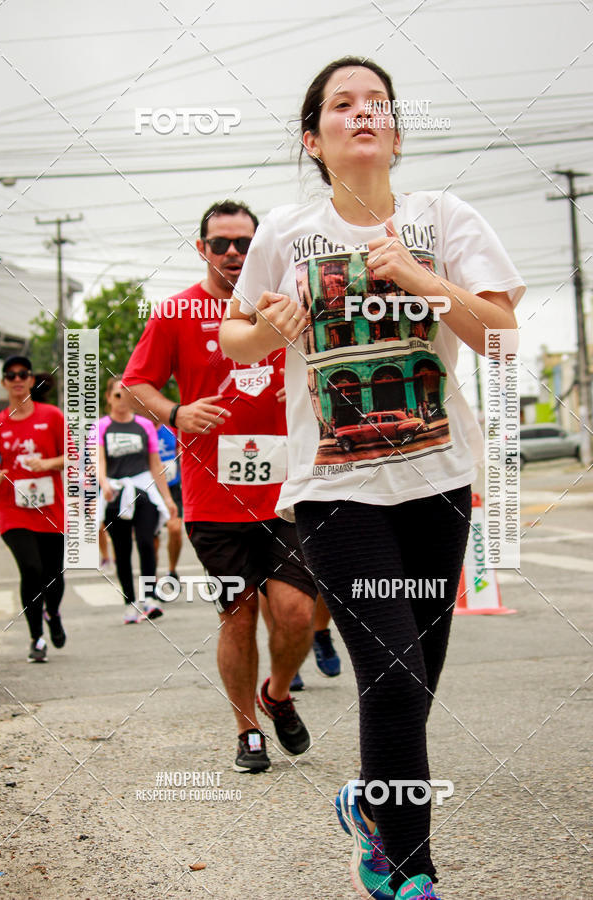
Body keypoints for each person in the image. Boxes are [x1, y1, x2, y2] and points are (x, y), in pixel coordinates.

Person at [219, 57, 524, 899]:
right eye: (341, 104)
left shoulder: (444, 217)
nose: (364, 113)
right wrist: (271, 326)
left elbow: (501, 337)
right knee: (391, 676)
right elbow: (234, 341)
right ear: (313, 138)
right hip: (333, 490)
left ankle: (371, 803)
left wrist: (425, 281)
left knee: (418, 678)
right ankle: (405, 870)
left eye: (377, 103)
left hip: (438, 480)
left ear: (395, 131)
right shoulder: (285, 231)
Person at [122, 199, 318, 774]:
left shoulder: (288, 305)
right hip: (214, 494)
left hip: (289, 489)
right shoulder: (177, 312)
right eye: (220, 244)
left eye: (244, 244)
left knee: (296, 612)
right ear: (201, 248)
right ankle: (247, 730)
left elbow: (337, 363)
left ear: (259, 248)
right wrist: (176, 412)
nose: (233, 253)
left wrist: (309, 380)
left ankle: (276, 694)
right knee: (237, 614)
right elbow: (137, 386)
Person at [0, 357, 66, 662]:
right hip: (12, 509)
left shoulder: (51, 416)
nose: (17, 379)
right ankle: (36, 638)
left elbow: (76, 455)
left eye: (23, 374)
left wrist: (48, 463)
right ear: (4, 383)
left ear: (30, 380)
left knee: (53, 576)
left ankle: (53, 612)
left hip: (50, 507)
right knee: (31, 569)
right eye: (11, 375)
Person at [97, 375, 177, 624]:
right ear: (109, 398)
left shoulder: (144, 425)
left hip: (143, 490)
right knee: (122, 550)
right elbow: (99, 462)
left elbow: (155, 464)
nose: (122, 400)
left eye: (126, 395)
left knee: (146, 541)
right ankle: (130, 602)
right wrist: (104, 484)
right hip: (116, 493)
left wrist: (167, 498)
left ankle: (150, 597)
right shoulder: (102, 427)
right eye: (117, 394)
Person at [156, 422, 183, 586]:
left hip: (173, 487)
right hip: (150, 488)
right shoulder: (142, 427)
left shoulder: (172, 427)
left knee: (175, 528)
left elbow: (182, 450)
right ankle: (152, 575)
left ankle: (172, 571)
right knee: (152, 536)